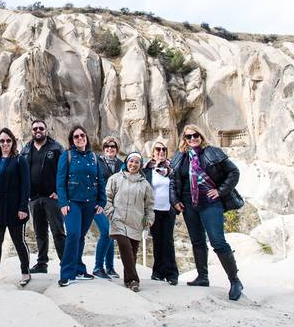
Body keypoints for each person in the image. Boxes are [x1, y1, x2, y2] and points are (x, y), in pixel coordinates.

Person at [170, 124, 244, 300]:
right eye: (188, 136)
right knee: (197, 241)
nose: (192, 139)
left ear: (201, 136)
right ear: (184, 139)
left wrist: (220, 190)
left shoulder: (212, 152)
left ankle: (235, 281)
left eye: (195, 135)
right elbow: (174, 180)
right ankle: (202, 277)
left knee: (218, 241)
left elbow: (233, 172)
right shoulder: (180, 157)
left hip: (210, 202)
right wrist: (175, 200)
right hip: (188, 203)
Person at [56, 125, 106, 287]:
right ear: (72, 140)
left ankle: (79, 269)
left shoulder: (93, 157)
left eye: (82, 135)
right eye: (76, 136)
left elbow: (100, 180)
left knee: (81, 236)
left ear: (86, 137)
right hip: (73, 203)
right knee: (73, 235)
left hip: (90, 203)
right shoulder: (67, 155)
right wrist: (63, 202)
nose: (80, 138)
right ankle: (67, 273)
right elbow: (60, 181)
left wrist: (102, 201)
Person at [0, 128, 32, 286]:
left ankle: (25, 272)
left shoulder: (20, 160)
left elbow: (26, 185)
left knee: (18, 241)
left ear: (13, 142)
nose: (5, 143)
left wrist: (23, 207)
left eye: (8, 140)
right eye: (2, 141)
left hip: (14, 206)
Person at [20, 119, 66, 273]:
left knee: (58, 231)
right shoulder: (26, 149)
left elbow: (64, 171)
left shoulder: (56, 148)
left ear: (46, 130)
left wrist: (59, 191)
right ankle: (42, 264)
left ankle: (66, 263)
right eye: (35, 129)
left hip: (51, 197)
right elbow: (21, 174)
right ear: (32, 131)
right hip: (33, 198)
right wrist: (25, 194)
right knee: (40, 232)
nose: (38, 131)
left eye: (41, 128)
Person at [105, 152, 154, 292]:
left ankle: (128, 281)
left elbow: (149, 205)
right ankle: (134, 279)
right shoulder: (115, 178)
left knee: (132, 253)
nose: (133, 164)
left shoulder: (145, 184)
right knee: (124, 246)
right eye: (131, 161)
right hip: (118, 220)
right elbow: (107, 197)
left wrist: (149, 219)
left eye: (137, 162)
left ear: (140, 165)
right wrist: (111, 213)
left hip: (136, 222)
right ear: (126, 162)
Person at [143, 140, 179, 285]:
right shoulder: (147, 169)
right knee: (157, 241)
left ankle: (171, 273)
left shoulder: (172, 168)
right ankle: (157, 272)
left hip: (168, 209)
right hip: (154, 210)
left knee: (168, 241)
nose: (161, 152)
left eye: (164, 149)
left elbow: (177, 185)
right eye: (158, 149)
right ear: (153, 152)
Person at [92, 136, 124, 279]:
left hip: (115, 204)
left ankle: (110, 267)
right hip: (98, 203)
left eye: (113, 146)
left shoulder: (121, 165)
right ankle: (98, 267)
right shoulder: (96, 161)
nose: (109, 149)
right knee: (106, 231)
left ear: (117, 149)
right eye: (107, 146)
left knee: (111, 233)